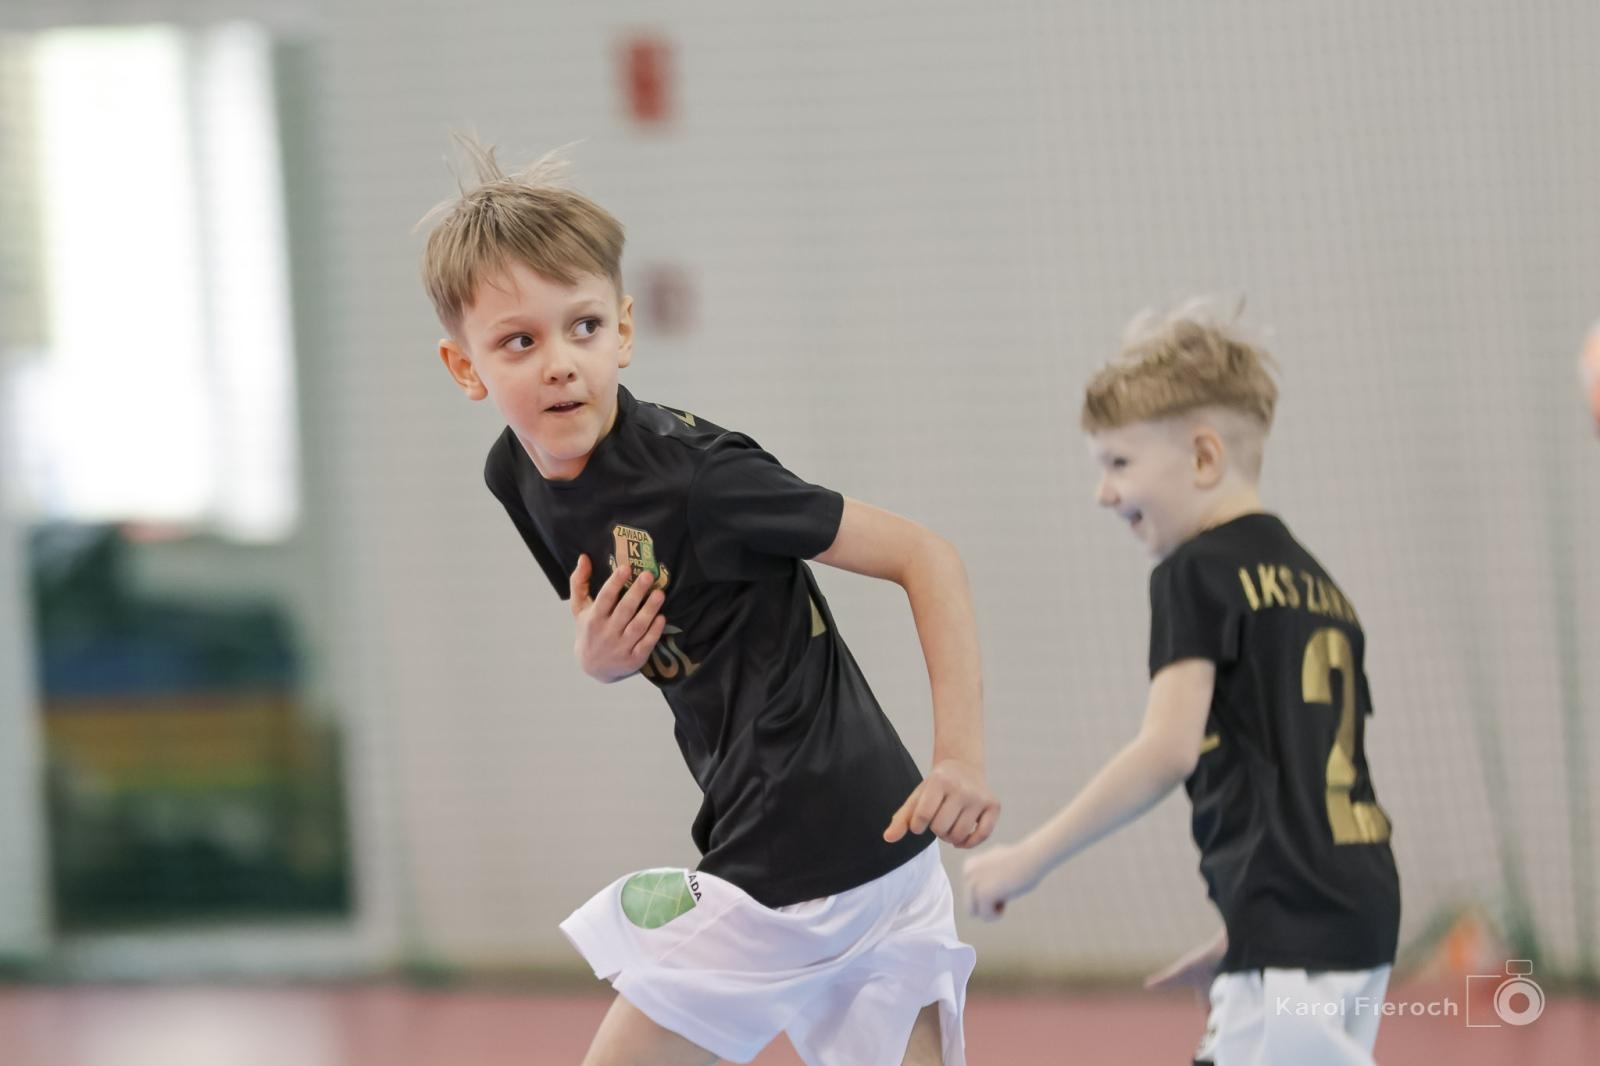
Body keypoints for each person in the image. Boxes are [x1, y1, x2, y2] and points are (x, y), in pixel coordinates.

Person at [420, 142, 999, 1066]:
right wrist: (597, 657)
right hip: (855, 849)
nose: (560, 362)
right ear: (465, 366)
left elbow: (927, 557)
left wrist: (961, 756)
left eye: (583, 326)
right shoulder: (516, 477)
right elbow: (627, 632)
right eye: (519, 341)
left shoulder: (705, 481)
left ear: (625, 329)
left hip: (815, 843)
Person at [963, 303, 1400, 1065]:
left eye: (1119, 463)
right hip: (1353, 912)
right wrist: (1248, 930)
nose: (1103, 493)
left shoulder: (1194, 575)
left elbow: (1166, 751)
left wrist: (1025, 860)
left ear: (1203, 458)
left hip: (1295, 932)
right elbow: (1302, 785)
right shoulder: (1321, 587)